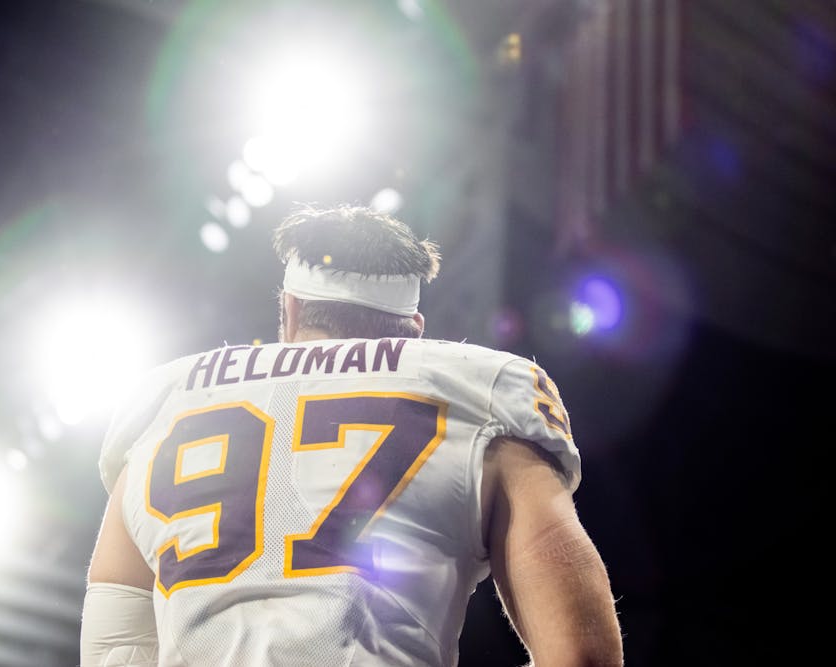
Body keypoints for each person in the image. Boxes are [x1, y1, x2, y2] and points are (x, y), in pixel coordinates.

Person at [80, 204, 624, 667]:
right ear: (414, 331)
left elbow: (114, 647)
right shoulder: (479, 389)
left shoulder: (161, 406)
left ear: (290, 310)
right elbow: (581, 654)